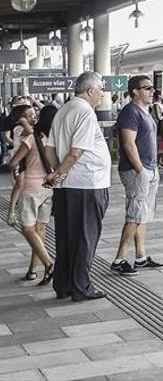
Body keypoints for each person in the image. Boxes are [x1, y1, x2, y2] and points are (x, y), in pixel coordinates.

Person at [45, 71, 112, 302]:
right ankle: (81, 287)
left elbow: (50, 149)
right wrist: (59, 174)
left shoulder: (62, 110)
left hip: (67, 187)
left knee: (66, 237)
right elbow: (76, 152)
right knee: (85, 236)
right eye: (101, 89)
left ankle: (62, 284)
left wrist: (58, 175)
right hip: (87, 184)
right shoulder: (85, 112)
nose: (103, 93)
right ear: (91, 91)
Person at [110, 76, 163, 276]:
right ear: (134, 91)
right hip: (136, 170)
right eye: (147, 88)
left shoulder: (145, 112)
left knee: (143, 214)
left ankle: (140, 257)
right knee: (135, 214)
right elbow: (128, 143)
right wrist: (140, 170)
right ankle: (119, 259)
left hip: (149, 169)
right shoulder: (130, 112)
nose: (152, 91)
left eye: (153, 88)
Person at [5, 104, 55, 285]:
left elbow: (13, 164)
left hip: (31, 188)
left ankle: (49, 263)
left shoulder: (31, 138)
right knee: (39, 230)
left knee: (27, 229)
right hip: (48, 188)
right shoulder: (52, 137)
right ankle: (33, 270)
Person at [150, 90, 163, 169]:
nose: (162, 95)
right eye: (161, 94)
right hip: (158, 126)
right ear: (159, 96)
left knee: (161, 143)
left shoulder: (159, 104)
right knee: (159, 143)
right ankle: (158, 161)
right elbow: (158, 116)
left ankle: (161, 161)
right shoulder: (156, 105)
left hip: (160, 125)